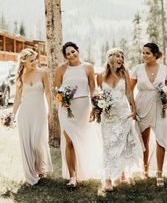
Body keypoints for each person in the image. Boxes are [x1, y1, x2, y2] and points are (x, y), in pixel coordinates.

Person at [54, 41, 101, 188]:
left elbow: (93, 88)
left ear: (78, 51)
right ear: (65, 57)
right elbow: (56, 88)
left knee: (82, 139)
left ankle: (85, 169)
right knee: (69, 141)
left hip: (83, 107)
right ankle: (73, 176)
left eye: (73, 52)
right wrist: (61, 98)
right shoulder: (61, 69)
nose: (71, 55)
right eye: (68, 54)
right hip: (66, 108)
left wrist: (96, 103)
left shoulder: (87, 67)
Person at [96, 47, 143, 192]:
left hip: (123, 114)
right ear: (110, 58)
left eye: (122, 56)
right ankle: (108, 178)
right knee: (108, 145)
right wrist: (97, 107)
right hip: (108, 116)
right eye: (118, 56)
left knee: (122, 143)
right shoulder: (100, 76)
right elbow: (98, 96)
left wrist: (133, 109)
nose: (121, 59)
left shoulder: (124, 73)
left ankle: (120, 171)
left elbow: (129, 92)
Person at [130, 42, 167, 187]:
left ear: (155, 54)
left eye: (147, 53)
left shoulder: (164, 69)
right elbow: (129, 91)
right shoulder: (137, 69)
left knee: (161, 138)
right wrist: (133, 108)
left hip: (160, 107)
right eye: (143, 53)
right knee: (144, 138)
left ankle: (159, 172)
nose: (144, 55)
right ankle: (145, 169)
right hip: (142, 105)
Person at [12, 48, 53, 185]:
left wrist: (50, 110)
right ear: (23, 62)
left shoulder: (43, 73)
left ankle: (41, 168)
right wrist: (12, 114)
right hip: (25, 113)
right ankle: (32, 172)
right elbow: (17, 98)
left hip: (40, 111)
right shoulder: (20, 76)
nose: (35, 62)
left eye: (35, 59)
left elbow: (48, 93)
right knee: (27, 144)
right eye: (31, 61)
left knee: (37, 143)